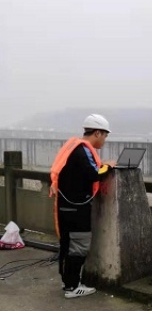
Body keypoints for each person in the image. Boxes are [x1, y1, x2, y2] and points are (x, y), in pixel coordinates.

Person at [49, 114, 116, 299]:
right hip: (76, 207)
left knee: (66, 244)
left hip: (65, 205)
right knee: (79, 245)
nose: (104, 139)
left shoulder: (71, 146)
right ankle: (72, 287)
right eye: (104, 135)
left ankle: (67, 282)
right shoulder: (83, 149)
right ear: (96, 133)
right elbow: (94, 174)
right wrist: (108, 166)